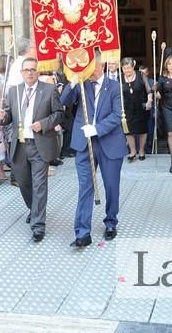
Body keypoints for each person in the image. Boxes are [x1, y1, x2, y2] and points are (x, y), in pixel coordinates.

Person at [61, 57, 127, 247]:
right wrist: (73, 80)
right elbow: (64, 101)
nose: (88, 69)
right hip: (84, 143)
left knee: (111, 186)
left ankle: (111, 222)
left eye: (91, 65)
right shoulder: (82, 84)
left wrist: (97, 128)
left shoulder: (114, 86)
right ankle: (82, 232)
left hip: (109, 141)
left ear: (101, 65)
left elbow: (117, 115)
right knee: (85, 186)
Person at [0, 58, 64, 242]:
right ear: (21, 72)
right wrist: (2, 117)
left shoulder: (49, 90)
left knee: (40, 184)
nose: (30, 73)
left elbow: (59, 114)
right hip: (19, 144)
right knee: (23, 182)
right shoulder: (14, 91)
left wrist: (43, 124)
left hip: (39, 144)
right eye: (26, 70)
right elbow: (9, 116)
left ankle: (38, 225)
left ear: (38, 71)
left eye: (33, 70)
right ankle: (34, 208)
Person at [121, 58, 151, 162]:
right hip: (126, 108)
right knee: (128, 131)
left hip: (141, 106)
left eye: (129, 68)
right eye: (124, 68)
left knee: (142, 130)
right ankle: (133, 151)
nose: (127, 71)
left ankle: (141, 150)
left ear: (133, 66)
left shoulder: (141, 75)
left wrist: (149, 101)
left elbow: (149, 90)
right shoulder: (120, 78)